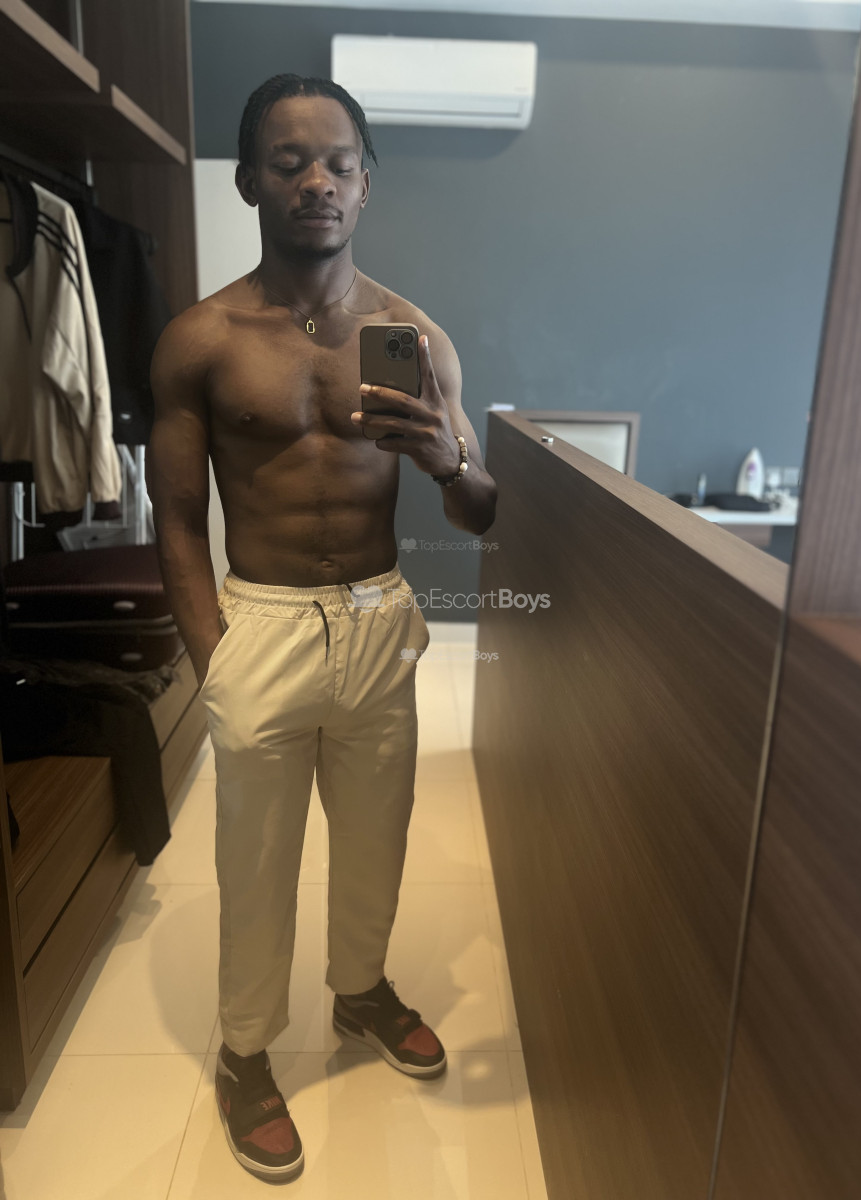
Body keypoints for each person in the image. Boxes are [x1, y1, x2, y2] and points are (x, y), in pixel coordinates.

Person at [147, 74, 497, 1182]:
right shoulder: (201, 340)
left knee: (378, 835)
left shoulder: (414, 337)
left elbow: (481, 510)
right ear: (250, 181)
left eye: (339, 163)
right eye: (290, 161)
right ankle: (246, 1051)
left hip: (380, 616)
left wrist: (448, 460)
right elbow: (175, 517)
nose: (317, 182)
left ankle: (360, 991)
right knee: (254, 859)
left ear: (366, 183)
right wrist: (213, 660)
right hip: (262, 619)